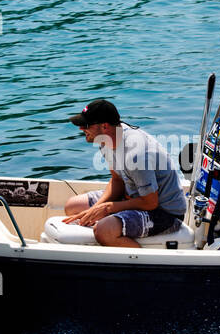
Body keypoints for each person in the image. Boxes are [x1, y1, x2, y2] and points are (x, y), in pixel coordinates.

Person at [64, 99, 186, 249]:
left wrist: (108, 208)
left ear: (105, 126)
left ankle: (143, 264)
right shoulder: (106, 140)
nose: (81, 129)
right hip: (134, 196)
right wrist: (94, 208)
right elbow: (117, 180)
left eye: (86, 125)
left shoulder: (136, 155)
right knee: (73, 206)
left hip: (164, 213)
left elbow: (150, 202)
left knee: (104, 230)